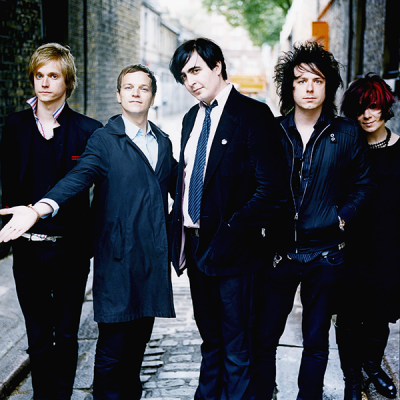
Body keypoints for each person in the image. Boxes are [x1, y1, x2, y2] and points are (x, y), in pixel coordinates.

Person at [0, 64, 178, 400]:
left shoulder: (163, 143)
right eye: (128, 87)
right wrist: (38, 208)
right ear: (118, 95)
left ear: (153, 96)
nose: (136, 93)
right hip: (117, 258)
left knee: (137, 348)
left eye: (143, 88)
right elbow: (77, 178)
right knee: (112, 350)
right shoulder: (104, 140)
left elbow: (180, 190)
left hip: (151, 262)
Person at [253, 41, 376, 400]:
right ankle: (264, 394)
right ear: (290, 87)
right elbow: (253, 182)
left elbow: (364, 184)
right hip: (279, 253)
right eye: (301, 80)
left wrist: (341, 218)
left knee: (316, 340)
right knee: (264, 338)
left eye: (317, 81)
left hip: (326, 255)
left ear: (328, 87)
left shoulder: (347, 133)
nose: (309, 88)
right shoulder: (272, 131)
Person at [169, 38, 288, 400]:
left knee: (237, 347)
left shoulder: (252, 114)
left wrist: (231, 231)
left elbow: (272, 190)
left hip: (236, 252)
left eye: (195, 70)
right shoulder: (191, 118)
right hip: (196, 249)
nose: (190, 81)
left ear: (217, 65)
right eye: (183, 76)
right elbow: (188, 180)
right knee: (210, 341)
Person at [0, 43, 103, 400]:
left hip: (70, 251)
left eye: (53, 76)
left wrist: (89, 243)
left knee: (67, 335)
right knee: (38, 337)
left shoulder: (88, 130)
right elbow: (8, 183)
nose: (44, 83)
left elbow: (97, 192)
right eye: (39, 75)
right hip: (27, 251)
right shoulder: (14, 126)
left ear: (67, 81)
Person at [336, 72, 399, 400]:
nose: (367, 114)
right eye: (360, 108)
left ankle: (372, 367)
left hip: (389, 249)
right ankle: (352, 379)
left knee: (379, 315)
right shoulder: (347, 150)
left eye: (373, 106)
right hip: (350, 247)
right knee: (348, 316)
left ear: (385, 107)